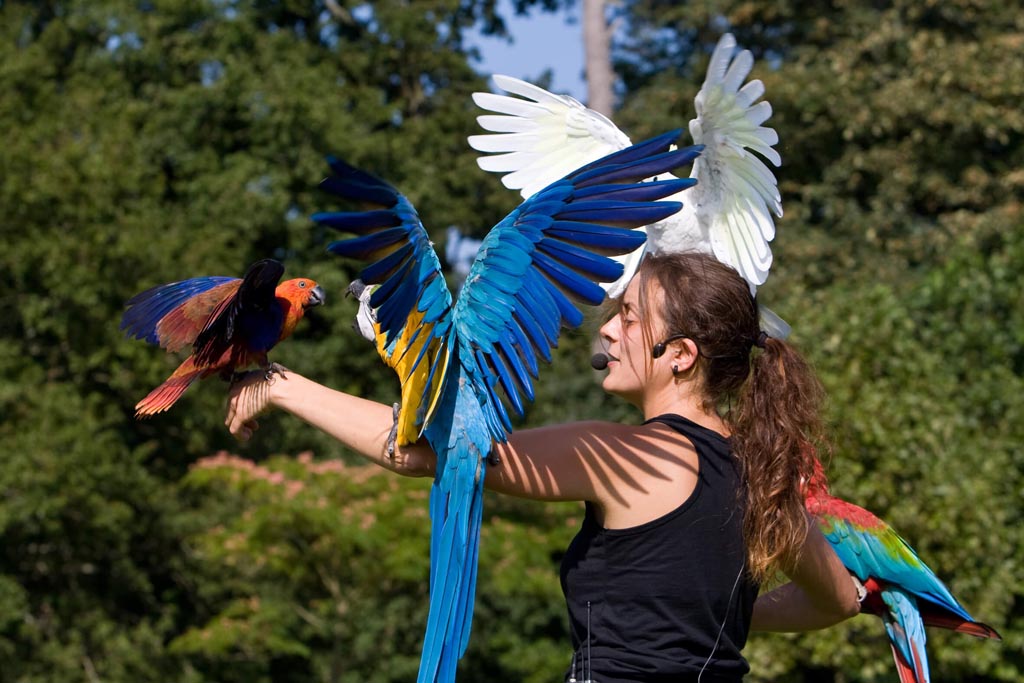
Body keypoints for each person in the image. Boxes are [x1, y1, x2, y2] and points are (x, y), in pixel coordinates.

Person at [225, 251, 861, 682]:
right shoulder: (763, 475)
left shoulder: (626, 455)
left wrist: (281, 386)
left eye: (629, 317)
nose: (607, 331)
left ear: (681, 355)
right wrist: (724, 608)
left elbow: (429, 454)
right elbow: (839, 598)